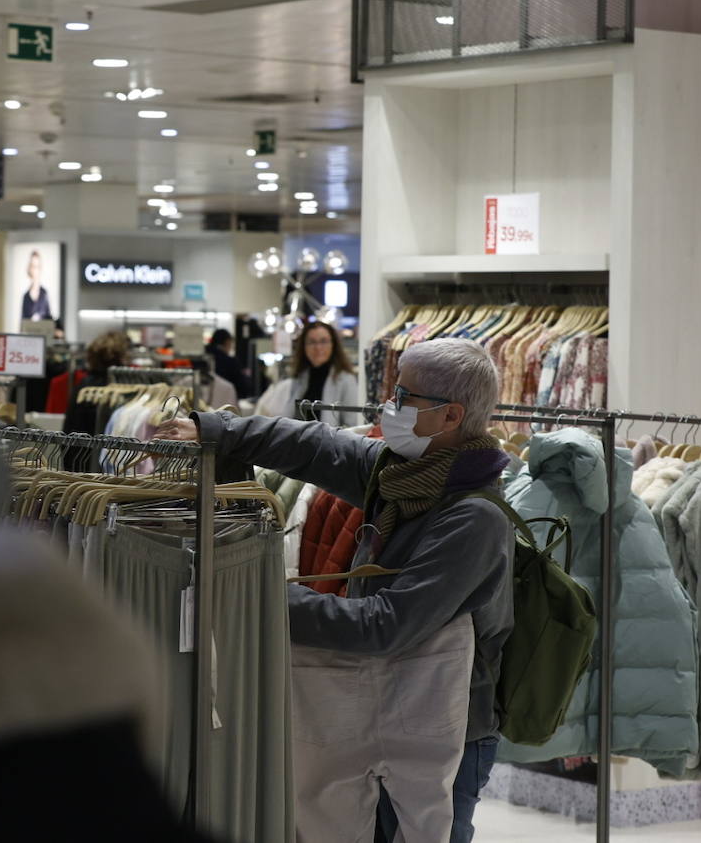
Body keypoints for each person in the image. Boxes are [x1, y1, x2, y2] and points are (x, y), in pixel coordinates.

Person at [154, 338, 513, 843]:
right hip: (380, 696)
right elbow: (316, 446)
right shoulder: (403, 473)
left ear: (451, 415)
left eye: (403, 396)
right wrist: (216, 429)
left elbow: (385, 625)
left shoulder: (473, 517)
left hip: (448, 724)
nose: (388, 406)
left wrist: (256, 595)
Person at [62, 332, 131, 468]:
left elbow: (70, 430)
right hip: (114, 466)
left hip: (82, 462)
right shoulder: (126, 389)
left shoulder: (84, 386)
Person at [287, 321, 357, 426]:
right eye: (312, 342)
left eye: (323, 341)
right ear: (303, 347)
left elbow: (352, 424)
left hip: (330, 441)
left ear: (333, 345)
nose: (318, 347)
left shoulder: (346, 379)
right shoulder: (299, 377)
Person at [205, 329, 252, 399]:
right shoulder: (230, 362)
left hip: (201, 401)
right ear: (227, 342)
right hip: (225, 402)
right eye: (230, 343)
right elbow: (243, 387)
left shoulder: (202, 359)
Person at [21, 249, 53, 324]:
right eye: (33, 266)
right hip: (29, 333)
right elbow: (22, 321)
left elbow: (49, 317)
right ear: (29, 268)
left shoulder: (44, 294)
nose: (35, 270)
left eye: (37, 267)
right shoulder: (26, 296)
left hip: (43, 333)